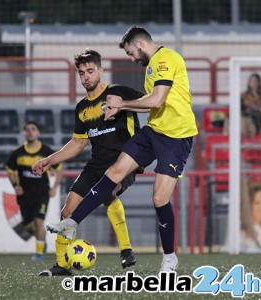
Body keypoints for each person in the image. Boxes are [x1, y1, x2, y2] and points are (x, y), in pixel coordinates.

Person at [42, 26, 198, 273]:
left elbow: (156, 100)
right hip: (154, 130)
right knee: (114, 171)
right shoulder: (150, 66)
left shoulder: (167, 59)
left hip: (176, 136)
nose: (131, 58)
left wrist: (122, 103)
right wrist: (121, 109)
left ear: (140, 45)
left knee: (159, 199)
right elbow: (151, 105)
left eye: (130, 53)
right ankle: (71, 222)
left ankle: (169, 257)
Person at [33, 49, 144, 276]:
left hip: (125, 160)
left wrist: (126, 105)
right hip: (96, 164)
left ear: (101, 71)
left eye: (90, 71)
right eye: (81, 73)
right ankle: (62, 265)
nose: (86, 77)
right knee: (67, 212)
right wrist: (49, 160)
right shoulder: (82, 108)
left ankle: (126, 250)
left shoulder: (118, 92)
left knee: (108, 191)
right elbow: (77, 143)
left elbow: (150, 101)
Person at [6, 121, 62, 261]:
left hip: (42, 192)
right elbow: (10, 171)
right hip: (24, 194)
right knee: (29, 227)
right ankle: (41, 241)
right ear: (24, 133)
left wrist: (55, 187)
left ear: (38, 133)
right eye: (27, 129)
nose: (30, 132)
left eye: (33, 129)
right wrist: (15, 186)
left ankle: (38, 253)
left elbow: (59, 169)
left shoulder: (46, 152)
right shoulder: (18, 153)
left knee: (39, 221)